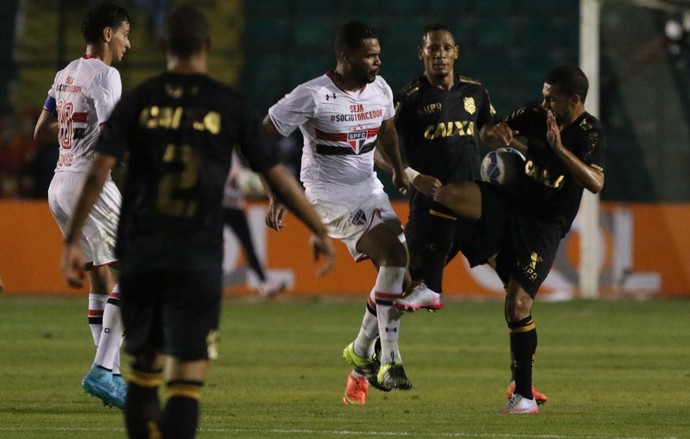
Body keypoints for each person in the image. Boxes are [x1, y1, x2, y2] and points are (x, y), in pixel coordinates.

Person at [59, 5, 334, 438]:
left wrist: (72, 238)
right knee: (186, 379)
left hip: (145, 250)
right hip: (198, 255)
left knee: (144, 374)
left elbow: (97, 170)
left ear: (163, 46)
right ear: (208, 46)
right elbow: (275, 173)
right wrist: (318, 229)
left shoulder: (139, 100)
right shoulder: (226, 104)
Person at [433, 65, 606, 414]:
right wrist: (499, 137)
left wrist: (558, 150)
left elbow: (595, 182)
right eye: (543, 94)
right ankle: (428, 279)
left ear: (573, 101)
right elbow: (493, 132)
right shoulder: (535, 114)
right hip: (512, 202)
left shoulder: (590, 133)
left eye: (551, 98)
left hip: (545, 225)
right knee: (450, 196)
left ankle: (523, 396)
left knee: (518, 305)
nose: (543, 103)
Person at [390, 23, 549, 405]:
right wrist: (406, 173)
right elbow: (382, 144)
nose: (440, 54)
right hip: (431, 208)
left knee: (518, 291)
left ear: (456, 52)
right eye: (433, 49)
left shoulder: (475, 92)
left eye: (446, 48)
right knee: (404, 283)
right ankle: (374, 357)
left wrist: (496, 137)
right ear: (421, 54)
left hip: (477, 208)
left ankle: (520, 383)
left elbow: (488, 131)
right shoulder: (409, 99)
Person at [263, 21, 413, 405]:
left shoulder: (380, 89)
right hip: (328, 196)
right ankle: (390, 360)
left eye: (379, 53)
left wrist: (397, 168)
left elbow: (388, 130)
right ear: (346, 57)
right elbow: (261, 137)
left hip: (369, 189)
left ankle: (361, 354)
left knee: (406, 278)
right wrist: (276, 191)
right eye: (370, 55)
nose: (378, 60)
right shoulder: (312, 95)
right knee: (394, 257)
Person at [33, 2, 130, 409]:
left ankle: (113, 375)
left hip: (59, 183)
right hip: (90, 182)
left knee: (100, 277)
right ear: (108, 34)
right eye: (125, 33)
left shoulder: (64, 74)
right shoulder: (107, 75)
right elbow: (111, 139)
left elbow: (41, 131)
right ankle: (103, 371)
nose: (129, 43)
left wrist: (74, 123)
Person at [222, 150, 284, 297]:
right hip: (220, 205)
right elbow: (233, 177)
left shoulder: (231, 151)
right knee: (210, 246)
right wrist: (240, 179)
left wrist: (246, 181)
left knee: (248, 245)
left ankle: (264, 283)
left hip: (235, 205)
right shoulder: (219, 148)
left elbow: (238, 177)